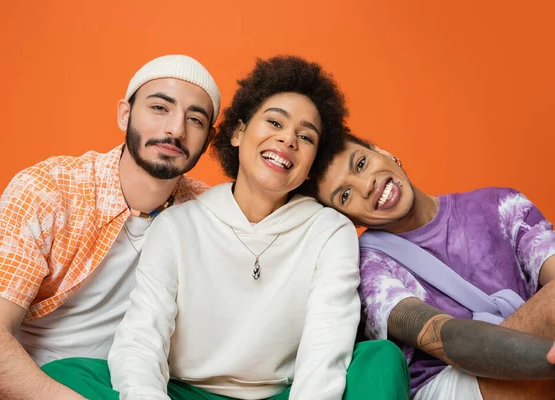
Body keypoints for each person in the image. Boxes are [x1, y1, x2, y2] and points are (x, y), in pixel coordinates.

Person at [42, 55, 411, 400]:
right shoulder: (176, 224)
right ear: (237, 133)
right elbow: (142, 338)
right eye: (275, 122)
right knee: (66, 375)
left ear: (312, 163)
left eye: (306, 136)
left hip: (283, 394)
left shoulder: (330, 230)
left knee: (379, 359)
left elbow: (327, 343)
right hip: (184, 392)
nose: (288, 140)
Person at [0, 54, 221, 400]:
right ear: (125, 114)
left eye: (195, 119)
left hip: (99, 380)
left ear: (209, 139)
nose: (175, 129)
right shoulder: (49, 189)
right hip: (0, 371)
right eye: (159, 108)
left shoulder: (210, 215)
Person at [313, 133, 555, 400]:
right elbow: (447, 339)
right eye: (346, 195)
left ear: (381, 151)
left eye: (361, 164)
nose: (366, 185)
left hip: (537, 346)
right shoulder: (368, 269)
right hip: (447, 382)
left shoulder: (500, 204)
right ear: (348, 219)